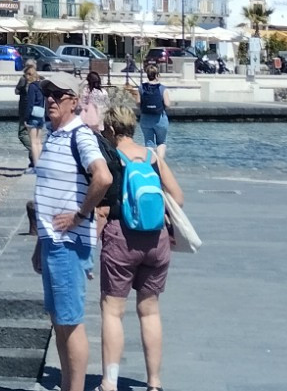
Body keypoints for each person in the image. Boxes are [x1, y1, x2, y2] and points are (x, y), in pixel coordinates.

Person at [96, 96, 180, 391]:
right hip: (156, 240)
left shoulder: (110, 156)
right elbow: (178, 197)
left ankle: (109, 382)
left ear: (110, 127)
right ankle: (154, 383)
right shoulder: (151, 156)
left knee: (113, 310)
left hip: (122, 237)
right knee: (150, 310)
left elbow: (102, 197)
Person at [34, 78, 111, 391]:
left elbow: (102, 177)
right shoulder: (55, 135)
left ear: (73, 100)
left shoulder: (80, 135)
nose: (50, 99)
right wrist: (40, 243)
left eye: (56, 94)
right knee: (59, 321)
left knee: (70, 321)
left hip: (69, 244)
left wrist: (80, 215)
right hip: (52, 242)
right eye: (46, 93)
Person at [20, 61, 47, 170]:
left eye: (26, 75)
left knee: (33, 143)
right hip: (41, 115)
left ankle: (36, 166)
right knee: (39, 142)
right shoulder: (41, 85)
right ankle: (41, 163)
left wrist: (26, 119)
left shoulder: (32, 86)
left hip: (32, 116)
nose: (25, 78)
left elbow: (30, 103)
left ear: (29, 75)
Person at [137, 68, 169, 159]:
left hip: (145, 118)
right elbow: (167, 104)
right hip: (160, 118)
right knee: (161, 142)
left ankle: (150, 163)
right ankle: (160, 164)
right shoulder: (162, 88)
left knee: (148, 142)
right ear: (157, 75)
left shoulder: (141, 87)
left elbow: (138, 103)